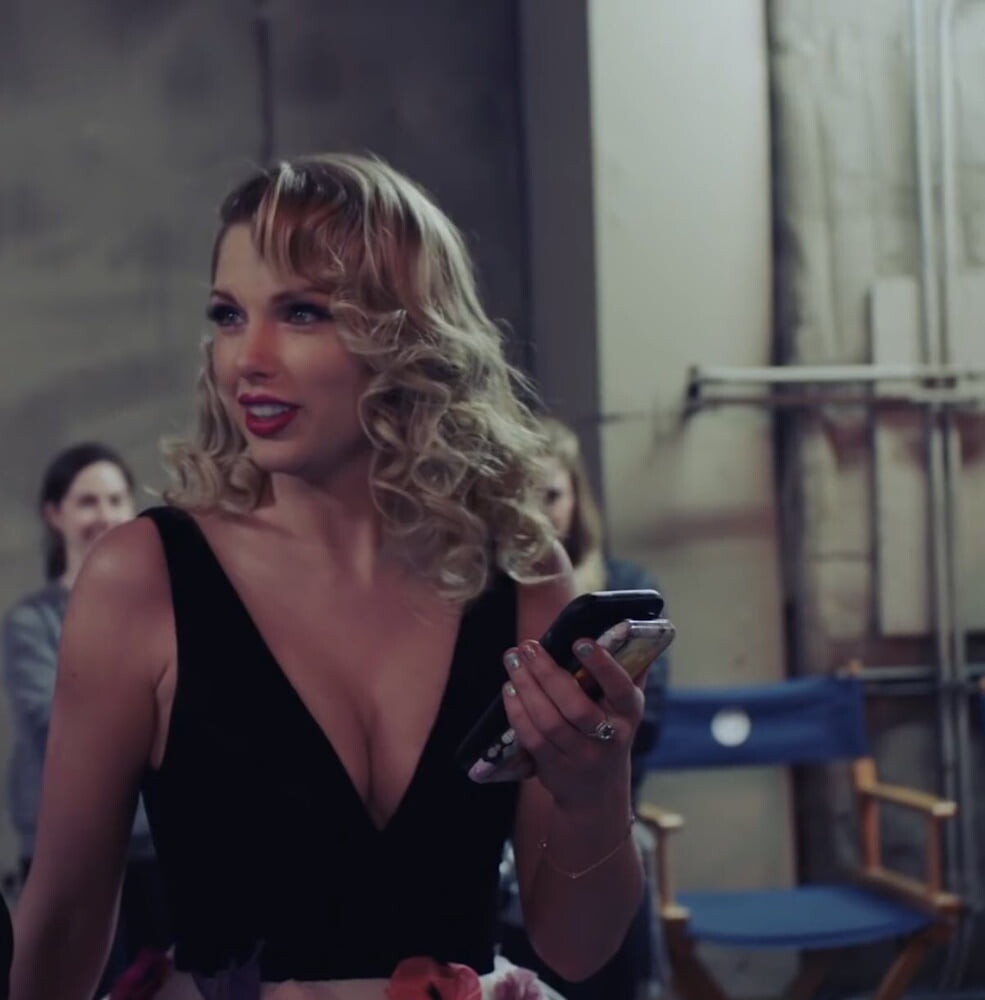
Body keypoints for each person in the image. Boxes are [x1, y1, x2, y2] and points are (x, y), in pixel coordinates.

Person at [10, 154, 648, 1000]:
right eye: (228, 315)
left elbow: (576, 946)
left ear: (410, 334)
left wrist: (594, 790)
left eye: (302, 312)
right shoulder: (144, 577)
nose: (246, 359)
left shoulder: (525, 579)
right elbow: (62, 920)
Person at [499, 416, 668, 1000]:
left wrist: (591, 761)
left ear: (577, 498)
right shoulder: (489, 593)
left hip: (602, 800)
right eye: (522, 496)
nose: (537, 514)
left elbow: (649, 722)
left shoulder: (621, 585)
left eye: (551, 495)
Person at [2, 443, 172, 998]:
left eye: (117, 499)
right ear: (55, 513)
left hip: (160, 849)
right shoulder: (31, 623)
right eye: (88, 501)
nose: (106, 513)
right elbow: (48, 726)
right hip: (74, 856)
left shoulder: (164, 610)